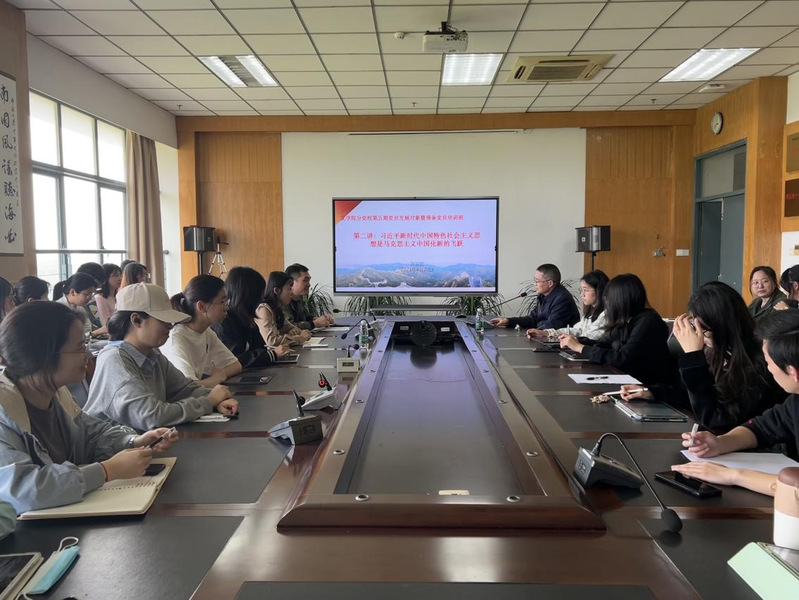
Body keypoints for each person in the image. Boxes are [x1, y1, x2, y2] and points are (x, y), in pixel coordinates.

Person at [0, 301, 177, 513]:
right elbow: (22, 492)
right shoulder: (5, 413)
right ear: (41, 356)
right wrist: (105, 471)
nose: (88, 354)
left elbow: (91, 435)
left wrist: (133, 441)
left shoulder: (56, 394)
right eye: (79, 347)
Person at [622, 282, 785, 430]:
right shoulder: (716, 350)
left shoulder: (759, 360)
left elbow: (714, 418)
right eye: (695, 326)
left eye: (703, 329)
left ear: (723, 324)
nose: (699, 335)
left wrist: (693, 357)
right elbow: (696, 397)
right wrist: (652, 392)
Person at [672, 310, 799, 496]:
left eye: (768, 362)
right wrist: (721, 443)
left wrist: (732, 475)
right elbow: (762, 428)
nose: (769, 368)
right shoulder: (795, 401)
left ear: (793, 372)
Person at [84, 283, 239, 432]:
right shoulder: (114, 360)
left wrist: (217, 400)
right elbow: (151, 416)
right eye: (162, 320)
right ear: (136, 320)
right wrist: (209, 401)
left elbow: (184, 389)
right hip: (113, 448)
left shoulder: (153, 354)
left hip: (145, 443)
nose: (170, 326)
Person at [560, 273, 674, 386]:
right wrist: (577, 341)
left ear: (621, 299)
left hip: (646, 386)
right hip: (628, 380)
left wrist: (581, 348)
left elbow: (624, 359)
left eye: (609, 299)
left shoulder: (648, 322)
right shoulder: (627, 319)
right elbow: (604, 343)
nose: (607, 304)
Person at [162, 275, 243, 388]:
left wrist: (219, 376)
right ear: (201, 306)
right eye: (222, 302)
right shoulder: (176, 340)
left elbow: (235, 365)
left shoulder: (206, 332)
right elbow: (187, 389)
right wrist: (217, 378)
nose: (227, 307)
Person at [212, 267, 289, 368]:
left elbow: (259, 347)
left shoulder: (245, 317)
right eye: (258, 296)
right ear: (246, 296)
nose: (260, 300)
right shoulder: (223, 320)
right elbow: (234, 359)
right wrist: (272, 355)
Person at [490, 264, 579, 330]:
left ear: (550, 283)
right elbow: (532, 319)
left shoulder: (562, 299)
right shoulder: (543, 296)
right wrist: (508, 321)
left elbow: (551, 327)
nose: (534, 284)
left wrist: (535, 327)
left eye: (537, 281)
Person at [526, 270, 608, 341]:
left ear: (599, 291)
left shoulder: (606, 314)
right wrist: (546, 333)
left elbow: (589, 338)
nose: (582, 294)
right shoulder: (591, 312)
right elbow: (576, 330)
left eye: (586, 290)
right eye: (581, 290)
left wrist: (569, 340)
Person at [257, 271, 312, 348]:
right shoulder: (264, 309)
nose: (292, 293)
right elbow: (272, 341)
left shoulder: (277, 308)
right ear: (276, 290)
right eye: (289, 289)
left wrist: (303, 333)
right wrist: (299, 338)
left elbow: (292, 328)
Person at [53, 272, 106, 338]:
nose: (90, 298)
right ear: (73, 292)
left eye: (92, 294)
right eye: (87, 294)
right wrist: (97, 332)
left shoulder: (79, 307)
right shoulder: (59, 309)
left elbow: (87, 330)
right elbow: (71, 337)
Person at [284, 263, 333, 330]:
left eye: (309, 281)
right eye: (305, 280)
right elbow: (289, 327)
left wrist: (320, 319)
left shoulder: (299, 299)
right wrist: (314, 324)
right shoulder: (283, 302)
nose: (309, 285)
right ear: (291, 283)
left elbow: (306, 317)